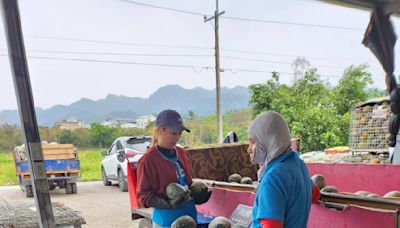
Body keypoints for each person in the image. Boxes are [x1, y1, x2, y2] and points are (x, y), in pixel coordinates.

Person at [136, 109, 209, 227]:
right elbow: (142, 197)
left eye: (180, 133)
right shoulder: (147, 161)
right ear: (161, 130)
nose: (177, 138)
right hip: (166, 221)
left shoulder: (182, 153)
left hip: (190, 218)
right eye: (173, 133)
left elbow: (188, 185)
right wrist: (168, 203)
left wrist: (198, 195)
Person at [247, 111, 320, 228]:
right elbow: (314, 195)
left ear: (269, 141)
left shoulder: (272, 178)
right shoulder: (297, 163)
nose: (249, 149)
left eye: (253, 142)